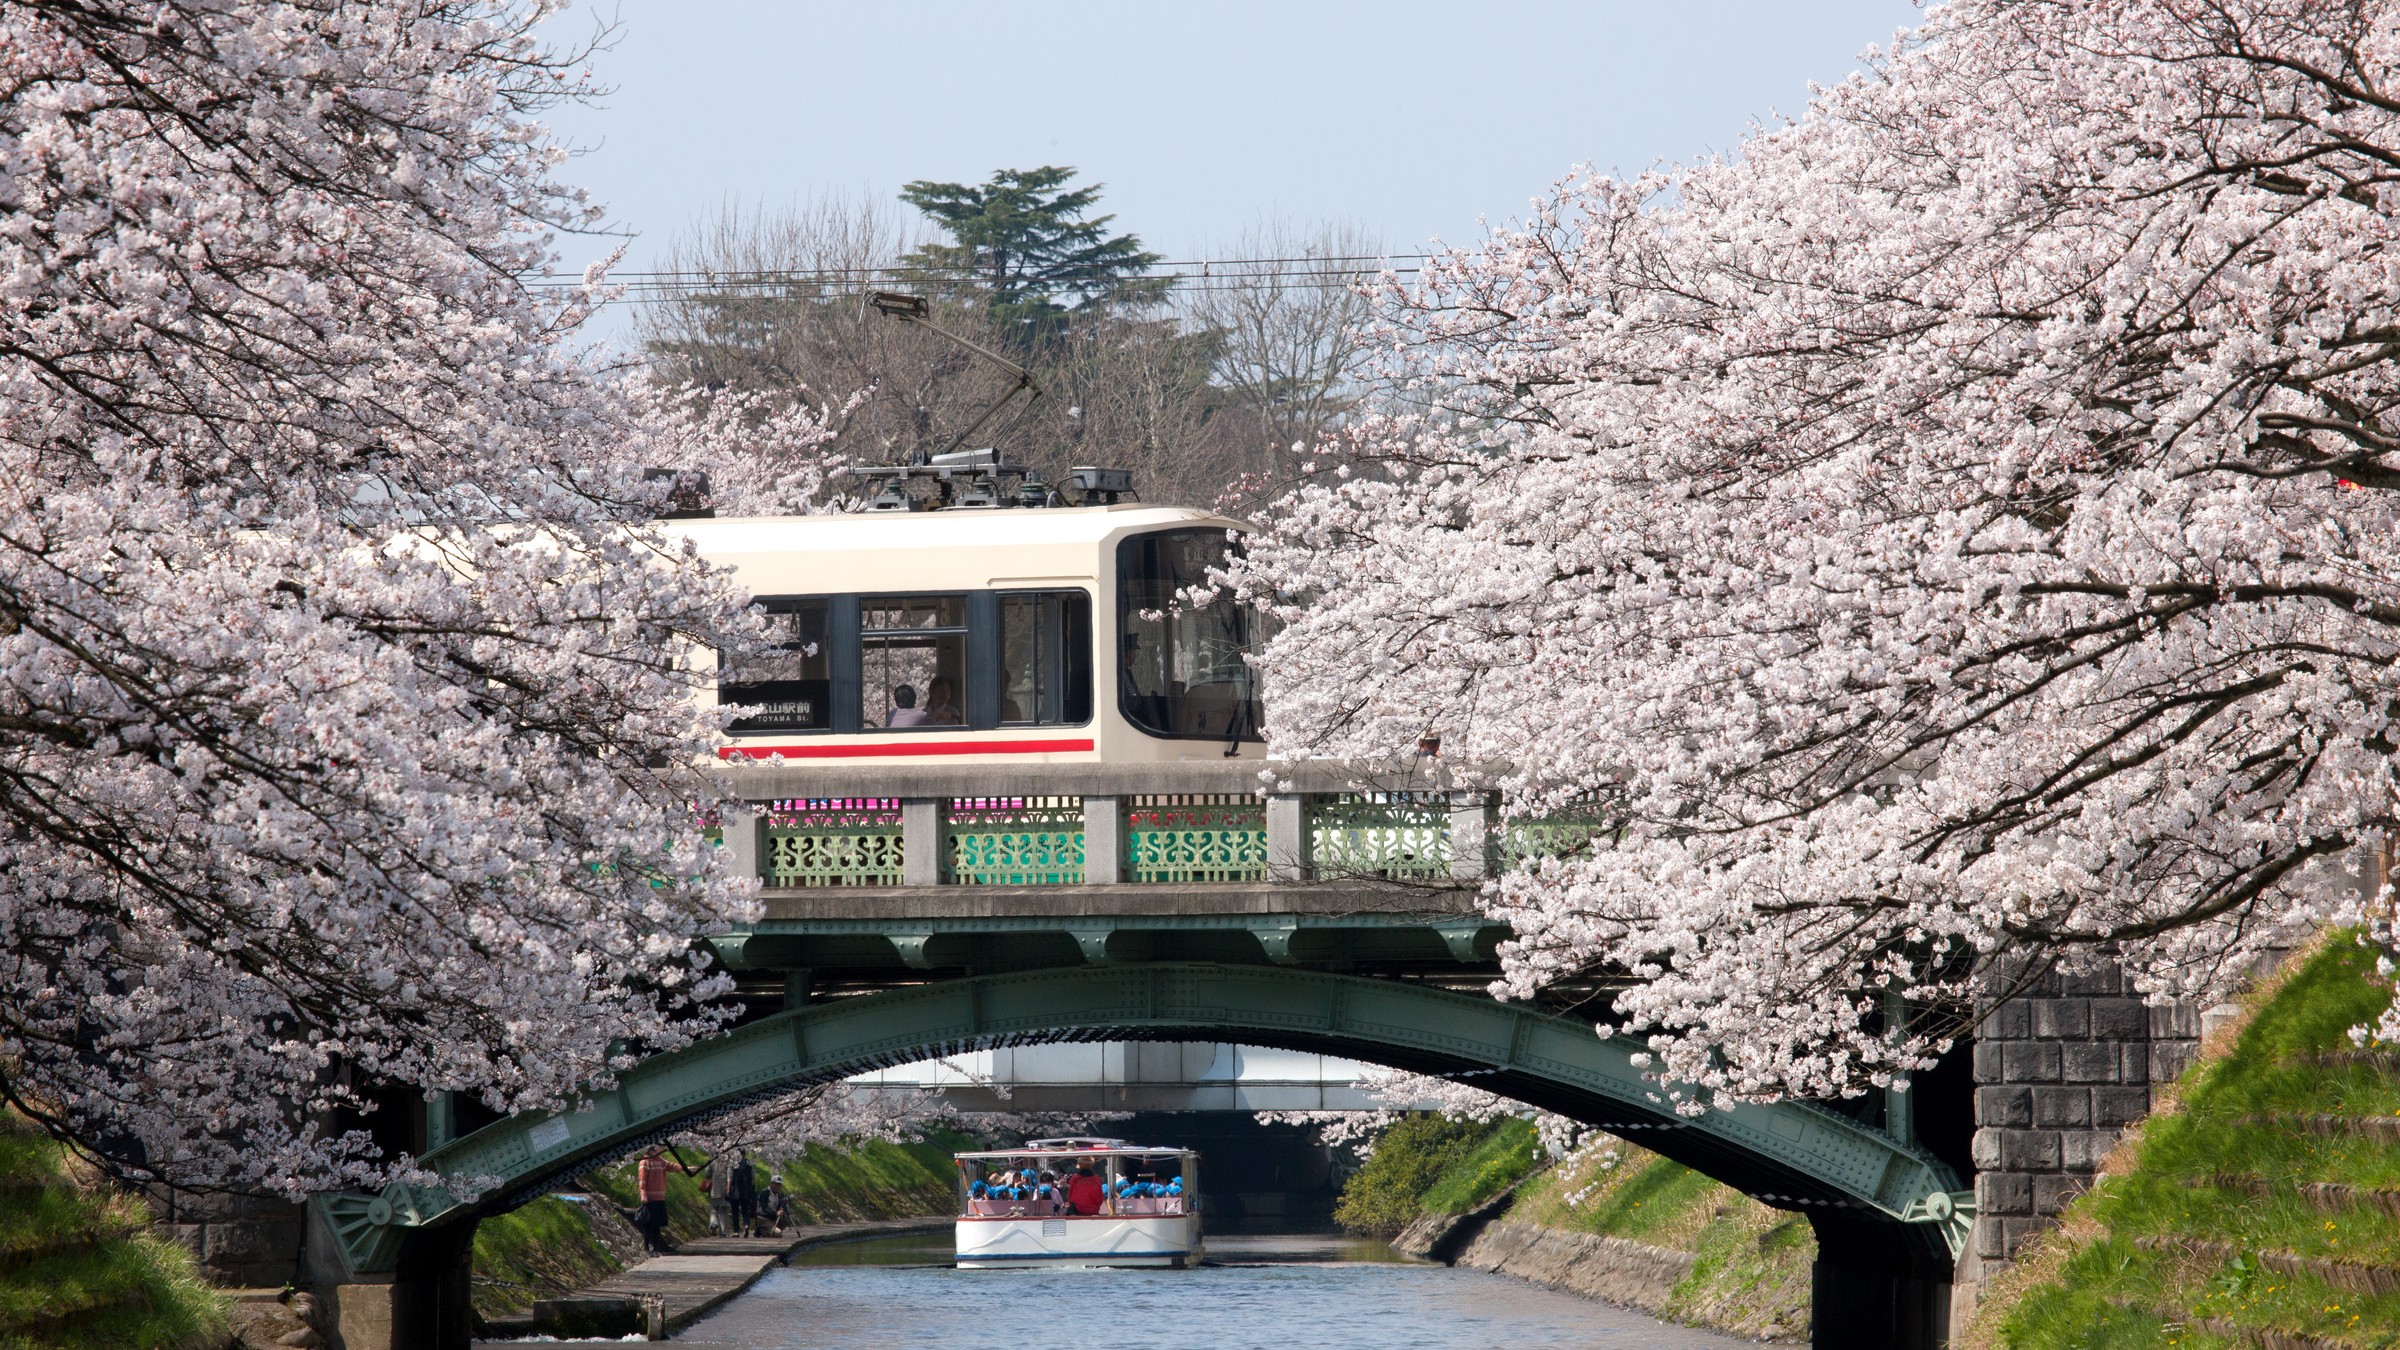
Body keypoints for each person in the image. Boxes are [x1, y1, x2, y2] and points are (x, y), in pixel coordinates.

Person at [633, 1144, 691, 1256]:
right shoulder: (645, 1162)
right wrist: (643, 1193)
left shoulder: (660, 1161)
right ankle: (646, 1248)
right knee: (648, 1224)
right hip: (650, 1198)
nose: (662, 1149)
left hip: (659, 1198)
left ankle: (656, 1248)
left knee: (657, 1225)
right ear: (653, 1149)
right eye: (660, 1147)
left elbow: (672, 1167)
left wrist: (687, 1168)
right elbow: (642, 1179)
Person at [725, 1148, 758, 1236]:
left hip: (735, 1188)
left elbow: (730, 1176)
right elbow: (753, 1176)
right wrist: (752, 1188)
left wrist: (728, 1188)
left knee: (735, 1210)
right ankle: (746, 1225)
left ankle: (736, 1231)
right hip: (746, 1189)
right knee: (745, 1209)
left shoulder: (732, 1163)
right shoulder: (749, 1162)